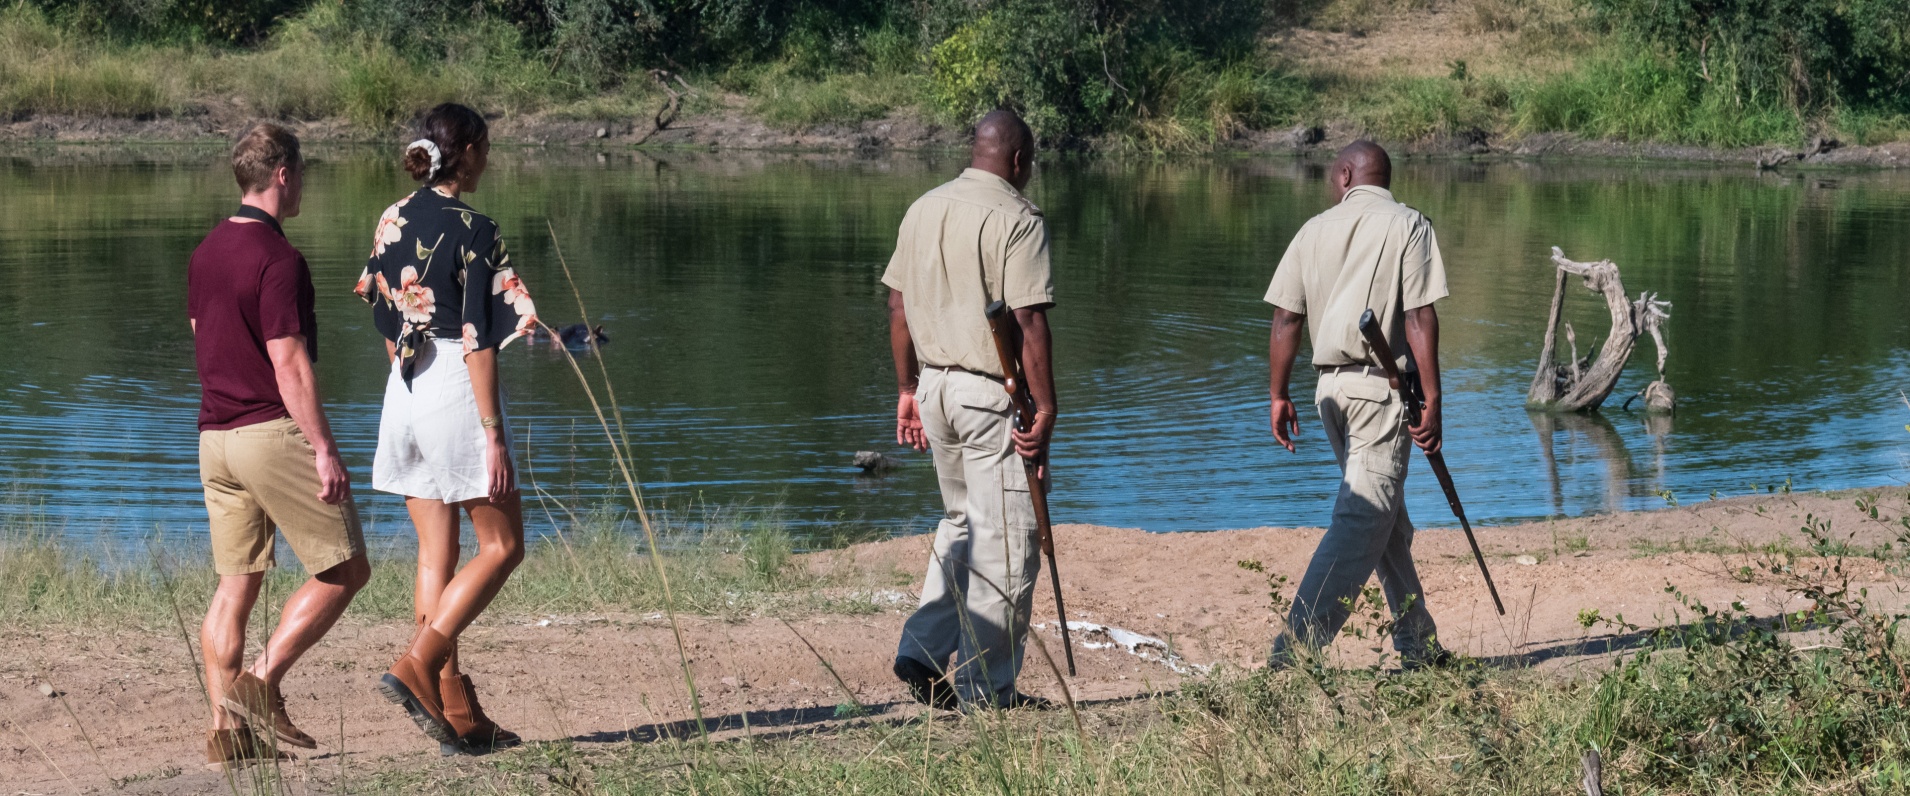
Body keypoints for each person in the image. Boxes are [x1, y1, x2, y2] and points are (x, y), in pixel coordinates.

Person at [187, 122, 371, 771]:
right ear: (285, 174)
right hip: (270, 431)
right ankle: (261, 684)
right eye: (304, 175)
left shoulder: (207, 250)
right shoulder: (278, 259)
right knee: (346, 569)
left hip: (215, 436)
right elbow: (288, 362)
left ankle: (226, 734)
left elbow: (200, 333)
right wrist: (322, 446)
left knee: (236, 586)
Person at [353, 103, 536, 755]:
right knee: (503, 545)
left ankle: (455, 705)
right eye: (489, 146)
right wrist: (491, 433)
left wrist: (409, 376)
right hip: (455, 385)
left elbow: (379, 308)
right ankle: (418, 664)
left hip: (401, 388)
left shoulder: (390, 217)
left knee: (437, 553)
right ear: (470, 152)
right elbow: (481, 340)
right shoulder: (477, 229)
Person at [883, 109, 1058, 710]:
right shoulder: (1016, 217)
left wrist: (907, 388)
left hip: (933, 386)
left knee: (962, 521)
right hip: (990, 392)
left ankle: (924, 650)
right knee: (1009, 539)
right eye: (1029, 164)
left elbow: (898, 308)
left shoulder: (923, 206)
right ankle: (987, 689)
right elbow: (1029, 320)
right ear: (1017, 161)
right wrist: (1048, 407)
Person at [1263, 140, 1457, 669]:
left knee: (1383, 521)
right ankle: (1292, 656)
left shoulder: (1313, 229)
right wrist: (1434, 395)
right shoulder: (1408, 225)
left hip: (1329, 391)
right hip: (1379, 389)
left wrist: (1278, 394)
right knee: (1363, 518)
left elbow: (1286, 319)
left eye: (1333, 175)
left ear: (1346, 174)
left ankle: (1419, 646)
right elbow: (1419, 315)